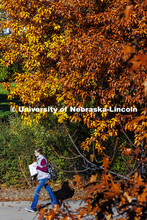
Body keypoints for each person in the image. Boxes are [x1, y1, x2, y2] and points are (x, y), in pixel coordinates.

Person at [25, 147, 58, 212]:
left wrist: (37, 166)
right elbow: (39, 170)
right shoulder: (39, 159)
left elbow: (45, 170)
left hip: (44, 177)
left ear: (39, 152)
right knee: (49, 191)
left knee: (36, 191)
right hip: (42, 177)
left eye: (36, 152)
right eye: (34, 152)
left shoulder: (42, 159)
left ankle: (32, 207)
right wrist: (34, 176)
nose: (35, 154)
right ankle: (55, 205)